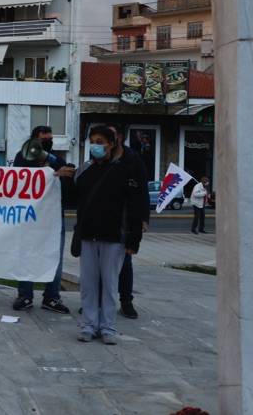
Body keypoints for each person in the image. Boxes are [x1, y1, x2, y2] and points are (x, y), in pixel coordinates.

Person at [72, 125, 145, 345]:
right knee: (88, 284)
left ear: (112, 144)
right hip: (88, 236)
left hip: (114, 237)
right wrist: (63, 178)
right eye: (93, 141)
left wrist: (134, 239)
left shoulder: (124, 171)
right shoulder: (84, 170)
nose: (96, 146)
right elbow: (73, 198)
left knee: (110, 285)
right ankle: (88, 325)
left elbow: (135, 205)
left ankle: (108, 327)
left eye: (100, 142)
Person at [11, 125, 75, 314]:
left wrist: (59, 172)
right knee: (26, 255)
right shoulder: (22, 157)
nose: (48, 141)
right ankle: (25, 295)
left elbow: (67, 182)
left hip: (53, 216)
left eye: (50, 139)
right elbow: (19, 180)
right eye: (44, 139)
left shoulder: (55, 159)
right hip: (30, 216)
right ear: (34, 140)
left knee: (54, 256)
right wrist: (49, 172)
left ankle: (52, 297)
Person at [107, 124, 150, 320]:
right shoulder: (100, 159)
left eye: (111, 135)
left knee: (125, 262)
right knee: (100, 264)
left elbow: (142, 191)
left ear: (120, 137)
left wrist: (143, 218)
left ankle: (126, 301)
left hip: (125, 220)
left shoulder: (133, 160)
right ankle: (97, 301)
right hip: (103, 219)